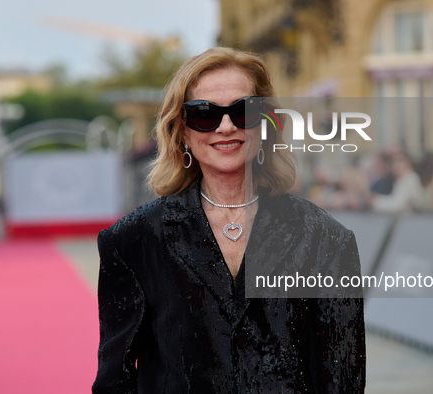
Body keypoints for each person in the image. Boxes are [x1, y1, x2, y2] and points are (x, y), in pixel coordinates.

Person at [92, 47, 366, 393]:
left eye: (243, 111)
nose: (225, 126)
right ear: (182, 131)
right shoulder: (133, 240)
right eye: (204, 113)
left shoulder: (327, 240)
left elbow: (343, 383)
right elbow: (114, 381)